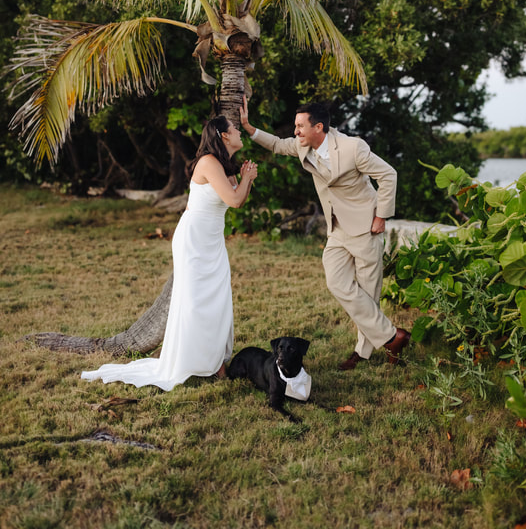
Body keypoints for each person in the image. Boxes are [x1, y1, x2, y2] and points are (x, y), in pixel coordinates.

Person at [81, 115, 258, 390]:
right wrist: (246, 179)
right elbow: (234, 200)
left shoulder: (227, 166)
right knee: (195, 300)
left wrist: (246, 179)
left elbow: (237, 198)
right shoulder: (209, 162)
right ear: (223, 136)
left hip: (213, 242)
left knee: (218, 298)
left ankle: (217, 362)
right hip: (194, 241)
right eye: (235, 129)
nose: (239, 132)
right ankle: (194, 361)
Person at [240, 97, 409, 368]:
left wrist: (381, 216)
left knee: (368, 293)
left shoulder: (354, 147)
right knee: (337, 283)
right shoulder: (302, 146)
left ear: (318, 127)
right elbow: (276, 144)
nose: (295, 132)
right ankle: (392, 336)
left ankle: (363, 352)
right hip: (336, 229)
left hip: (366, 227)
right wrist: (249, 127)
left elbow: (388, 175)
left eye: (299, 126)